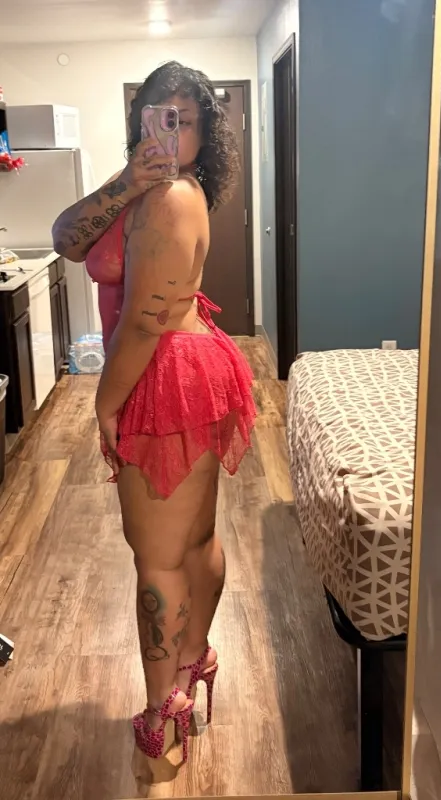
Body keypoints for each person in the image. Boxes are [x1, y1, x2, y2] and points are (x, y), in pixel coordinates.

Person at [52, 61, 256, 763]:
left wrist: (105, 404)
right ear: (138, 121)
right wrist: (125, 181)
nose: (169, 131)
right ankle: (194, 662)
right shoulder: (143, 189)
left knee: (159, 558)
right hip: (180, 366)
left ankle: (161, 705)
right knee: (191, 540)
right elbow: (66, 239)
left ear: (205, 134)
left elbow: (145, 320)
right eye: (156, 116)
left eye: (184, 120)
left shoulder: (171, 199)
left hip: (162, 372)